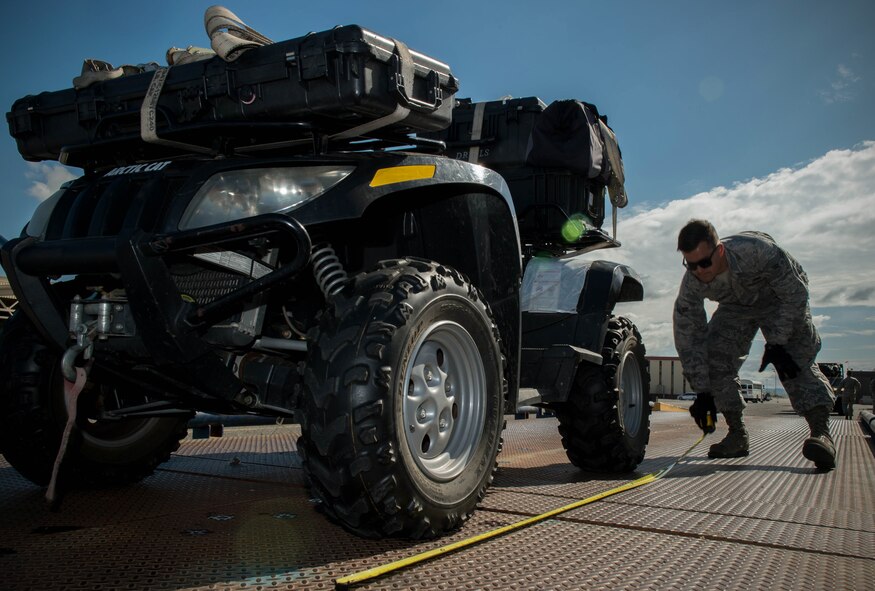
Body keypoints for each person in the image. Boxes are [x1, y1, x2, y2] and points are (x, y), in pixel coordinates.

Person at [673, 219, 836, 469]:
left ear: (720, 251)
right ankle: (737, 435)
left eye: (705, 263)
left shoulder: (758, 251)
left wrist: (778, 343)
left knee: (794, 361)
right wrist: (703, 392)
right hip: (735, 308)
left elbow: (795, 294)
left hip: (779, 299)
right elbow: (689, 337)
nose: (699, 271)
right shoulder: (692, 282)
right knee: (714, 360)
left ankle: (821, 433)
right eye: (691, 264)